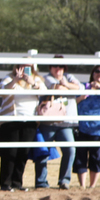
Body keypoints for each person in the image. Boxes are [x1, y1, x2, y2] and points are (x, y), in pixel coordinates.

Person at [0, 63, 45, 191]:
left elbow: (45, 92)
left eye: (28, 67)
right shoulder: (9, 78)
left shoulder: (37, 79)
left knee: (23, 153)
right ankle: (5, 183)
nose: (24, 69)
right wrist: (15, 80)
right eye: (22, 66)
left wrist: (32, 82)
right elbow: (1, 92)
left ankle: (17, 183)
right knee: (9, 152)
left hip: (29, 121)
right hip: (11, 121)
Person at [35, 56, 79, 190]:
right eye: (55, 66)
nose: (58, 69)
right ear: (50, 67)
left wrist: (66, 85)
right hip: (49, 121)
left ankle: (64, 180)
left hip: (66, 122)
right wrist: (68, 86)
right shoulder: (46, 78)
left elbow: (80, 88)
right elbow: (57, 88)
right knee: (43, 151)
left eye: (61, 66)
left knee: (70, 149)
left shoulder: (69, 76)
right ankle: (41, 181)